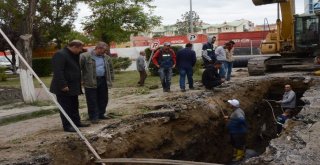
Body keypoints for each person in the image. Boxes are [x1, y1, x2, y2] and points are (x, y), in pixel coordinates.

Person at [50, 40, 90, 132]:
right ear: (74, 47)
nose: (80, 51)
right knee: (66, 107)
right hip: (64, 87)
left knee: (74, 105)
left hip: (73, 86)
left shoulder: (73, 54)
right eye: (79, 49)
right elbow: (58, 71)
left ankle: (76, 122)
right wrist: (63, 85)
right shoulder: (60, 54)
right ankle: (67, 126)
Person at [80, 42, 113, 124]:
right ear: (98, 48)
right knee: (92, 99)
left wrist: (111, 78)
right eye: (104, 51)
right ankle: (93, 117)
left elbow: (111, 69)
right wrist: (81, 80)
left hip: (103, 80)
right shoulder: (85, 56)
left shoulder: (107, 58)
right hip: (90, 81)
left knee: (103, 98)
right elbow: (79, 68)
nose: (104, 52)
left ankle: (101, 114)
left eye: (105, 51)